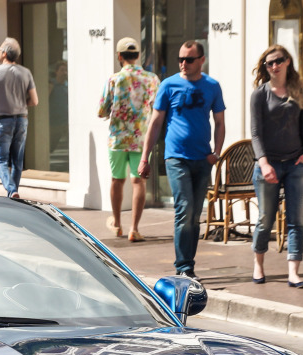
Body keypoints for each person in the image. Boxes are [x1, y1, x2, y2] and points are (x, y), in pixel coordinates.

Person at [138, 40, 226, 280]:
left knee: (195, 215)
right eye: (180, 59)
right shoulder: (168, 85)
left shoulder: (212, 86)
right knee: (184, 210)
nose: (183, 64)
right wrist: (144, 157)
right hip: (176, 157)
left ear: (201, 60)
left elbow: (219, 123)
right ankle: (184, 266)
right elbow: (155, 123)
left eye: (188, 59)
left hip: (202, 158)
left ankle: (188, 263)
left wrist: (216, 152)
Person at [249, 44, 303, 289]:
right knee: (266, 218)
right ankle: (258, 264)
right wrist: (264, 163)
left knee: (296, 220)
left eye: (278, 61)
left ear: (288, 62)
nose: (274, 66)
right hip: (268, 166)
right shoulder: (260, 94)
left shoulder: (300, 91)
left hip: (295, 164)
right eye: (269, 63)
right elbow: (255, 133)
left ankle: (293, 273)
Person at [97, 37, 159, 242]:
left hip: (118, 137)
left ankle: (117, 223)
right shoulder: (152, 79)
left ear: (119, 56)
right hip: (142, 136)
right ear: (138, 55)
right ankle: (134, 228)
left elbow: (102, 110)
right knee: (138, 181)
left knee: (117, 179)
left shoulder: (114, 80)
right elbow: (157, 108)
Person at [0, 37, 38, 198]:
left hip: (3, 120)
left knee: (0, 160)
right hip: (22, 119)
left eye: (0, 49)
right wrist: (20, 101)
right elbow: (34, 100)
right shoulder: (26, 72)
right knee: (17, 160)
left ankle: (11, 189)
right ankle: (13, 192)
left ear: (5, 53)